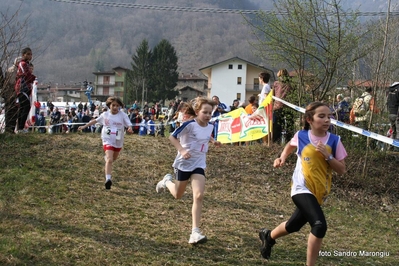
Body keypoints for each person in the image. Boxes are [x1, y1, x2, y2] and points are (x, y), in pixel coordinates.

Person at [258, 101, 347, 266]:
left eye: (329, 116)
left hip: (319, 192)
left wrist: (328, 156)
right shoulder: (301, 136)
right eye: (322, 116)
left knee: (293, 225)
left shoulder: (335, 141)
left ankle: (268, 236)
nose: (327, 120)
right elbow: (290, 146)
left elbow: (341, 169)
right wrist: (282, 157)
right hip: (300, 188)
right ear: (309, 120)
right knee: (319, 226)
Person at [155, 97, 222, 245]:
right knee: (178, 195)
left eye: (210, 113)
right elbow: (172, 137)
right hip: (183, 164)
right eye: (205, 112)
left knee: (198, 195)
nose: (208, 115)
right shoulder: (189, 125)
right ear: (197, 112)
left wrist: (213, 141)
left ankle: (195, 232)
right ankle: (166, 181)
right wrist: (182, 150)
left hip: (199, 164)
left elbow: (206, 135)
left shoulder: (210, 126)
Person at [78, 96, 133, 190]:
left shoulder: (122, 115)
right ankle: (108, 179)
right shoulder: (105, 115)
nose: (115, 107)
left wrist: (129, 128)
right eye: (113, 105)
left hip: (118, 140)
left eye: (117, 105)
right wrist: (84, 126)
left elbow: (129, 123)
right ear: (109, 105)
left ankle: (107, 159)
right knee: (110, 160)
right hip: (107, 140)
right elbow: (95, 121)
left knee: (113, 159)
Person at [15, 47, 36, 133]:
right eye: (28, 54)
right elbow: (26, 75)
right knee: (25, 107)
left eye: (31, 54)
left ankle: (20, 127)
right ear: (23, 55)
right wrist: (34, 78)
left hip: (26, 87)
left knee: (24, 107)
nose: (30, 56)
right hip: (22, 87)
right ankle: (20, 128)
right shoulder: (22, 64)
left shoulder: (27, 64)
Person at [272, 69, 294, 143]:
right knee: (289, 125)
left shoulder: (276, 83)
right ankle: (289, 142)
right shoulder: (291, 84)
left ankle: (276, 143)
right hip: (289, 107)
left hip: (277, 106)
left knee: (277, 125)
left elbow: (272, 95)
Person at [387, 82, 399, 150]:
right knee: (398, 132)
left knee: (393, 131)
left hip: (390, 113)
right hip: (397, 113)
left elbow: (387, 102)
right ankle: (397, 148)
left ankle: (391, 147)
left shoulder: (390, 90)